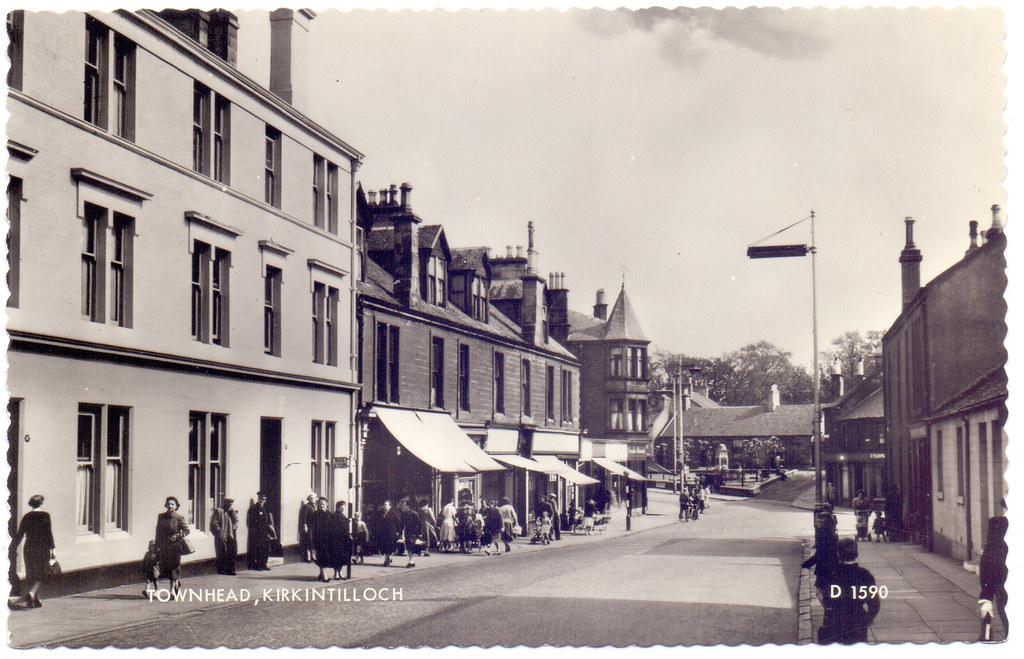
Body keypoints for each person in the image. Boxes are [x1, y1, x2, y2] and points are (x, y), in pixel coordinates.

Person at [818, 537, 881, 644]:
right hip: (857, 622)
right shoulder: (864, 574)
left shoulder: (831, 573)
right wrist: (867, 619)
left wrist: (829, 607)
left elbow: (822, 595)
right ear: (856, 553)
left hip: (835, 621)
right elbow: (874, 604)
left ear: (838, 554)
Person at [9, 494, 55, 609]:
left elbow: (20, 534)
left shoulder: (27, 516)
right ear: (41, 503)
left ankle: (36, 599)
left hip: (29, 547)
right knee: (42, 573)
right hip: (42, 547)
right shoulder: (45, 515)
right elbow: (48, 533)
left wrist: (13, 547)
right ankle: (32, 593)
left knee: (31, 572)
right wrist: (52, 549)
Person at [978, 515, 1009, 641]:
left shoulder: (991, 543)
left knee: (991, 607)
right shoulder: (1005, 543)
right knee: (1004, 609)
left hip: (991, 579)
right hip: (1001, 579)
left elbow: (985, 565)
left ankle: (986, 636)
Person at [802, 508, 840, 603]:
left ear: (825, 523)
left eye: (820, 522)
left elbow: (819, 554)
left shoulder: (824, 536)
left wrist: (806, 564)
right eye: (818, 521)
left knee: (819, 592)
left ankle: (829, 610)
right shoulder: (831, 534)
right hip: (832, 567)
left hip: (824, 569)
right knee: (829, 592)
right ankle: (831, 609)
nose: (818, 524)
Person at [154, 495, 190, 596]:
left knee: (174, 568)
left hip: (175, 546)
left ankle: (172, 591)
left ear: (176, 506)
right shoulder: (161, 517)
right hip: (164, 546)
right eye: (168, 504)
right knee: (165, 567)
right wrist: (157, 545)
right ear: (166, 505)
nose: (170, 506)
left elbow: (187, 530)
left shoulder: (179, 517)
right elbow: (158, 531)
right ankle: (176, 584)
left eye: (172, 504)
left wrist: (178, 535)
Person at [246, 492, 276, 571]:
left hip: (265, 532)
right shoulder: (253, 508)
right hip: (256, 533)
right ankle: (257, 565)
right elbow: (250, 522)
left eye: (264, 499)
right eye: (261, 499)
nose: (262, 501)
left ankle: (263, 564)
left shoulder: (265, 509)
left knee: (265, 548)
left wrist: (271, 531)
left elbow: (268, 521)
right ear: (258, 499)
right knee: (257, 549)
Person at [210, 496, 238, 575]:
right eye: (229, 502)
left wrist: (235, 525)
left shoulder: (233, 511)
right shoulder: (219, 511)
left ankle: (230, 570)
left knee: (231, 552)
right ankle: (222, 569)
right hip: (222, 535)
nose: (230, 504)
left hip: (231, 534)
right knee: (221, 552)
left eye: (232, 503)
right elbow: (214, 523)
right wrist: (218, 532)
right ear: (225, 503)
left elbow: (236, 520)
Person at [309, 497, 334, 582]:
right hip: (318, 538)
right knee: (321, 556)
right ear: (317, 505)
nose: (322, 505)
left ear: (327, 504)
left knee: (325, 557)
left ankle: (321, 574)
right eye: (320, 504)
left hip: (328, 539)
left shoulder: (330, 514)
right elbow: (312, 528)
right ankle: (325, 576)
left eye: (323, 504)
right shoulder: (315, 514)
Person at [332, 501, 353, 580]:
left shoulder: (344, 517)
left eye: (343, 507)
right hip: (335, 539)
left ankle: (340, 571)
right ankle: (336, 572)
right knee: (336, 556)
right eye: (341, 507)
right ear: (337, 507)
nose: (342, 508)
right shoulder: (333, 516)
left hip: (343, 540)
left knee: (341, 557)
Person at [399, 499, 421, 567]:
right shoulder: (404, 514)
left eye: (404, 505)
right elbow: (402, 524)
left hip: (413, 531)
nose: (403, 506)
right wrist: (400, 531)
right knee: (408, 545)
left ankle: (412, 560)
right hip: (407, 531)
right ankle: (411, 560)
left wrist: (419, 533)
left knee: (411, 545)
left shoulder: (414, 513)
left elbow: (419, 523)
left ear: (408, 506)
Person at [378, 500, 400, 567]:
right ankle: (388, 558)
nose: (385, 506)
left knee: (389, 546)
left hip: (390, 532)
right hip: (383, 532)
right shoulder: (381, 513)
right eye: (384, 505)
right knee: (384, 546)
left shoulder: (393, 513)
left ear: (390, 506)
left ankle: (386, 560)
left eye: (386, 505)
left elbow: (398, 522)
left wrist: (398, 531)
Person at [298, 493, 317, 563]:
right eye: (311, 498)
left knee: (313, 541)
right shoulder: (306, 506)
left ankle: (313, 556)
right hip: (309, 526)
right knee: (309, 540)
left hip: (314, 526)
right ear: (308, 499)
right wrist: (305, 525)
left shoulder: (315, 506)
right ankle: (308, 557)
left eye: (313, 498)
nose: (312, 499)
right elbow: (304, 517)